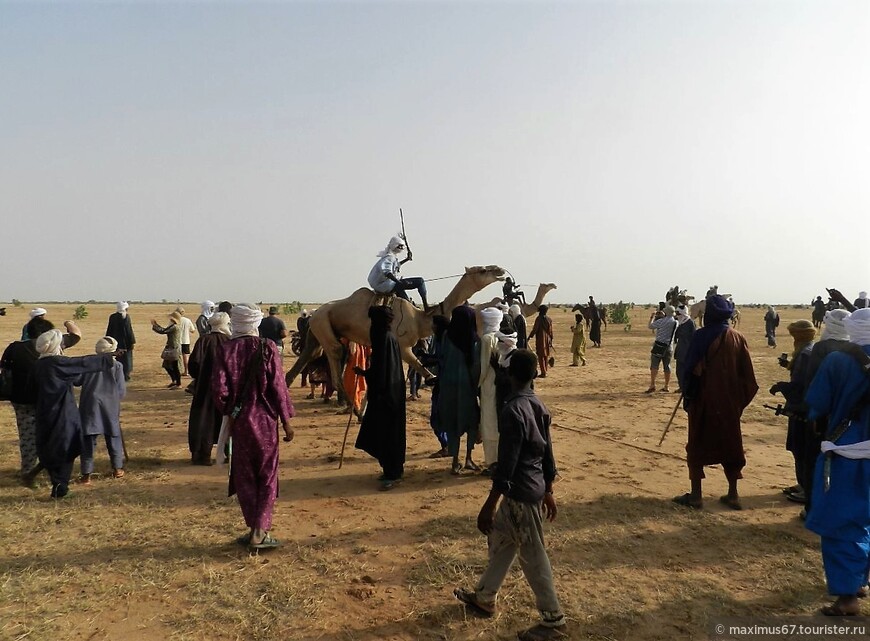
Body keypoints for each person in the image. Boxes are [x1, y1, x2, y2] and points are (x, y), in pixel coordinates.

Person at [453, 349, 566, 641]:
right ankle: (485, 596)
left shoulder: (512, 411)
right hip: (533, 488)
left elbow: (507, 465)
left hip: (520, 494)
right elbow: (548, 453)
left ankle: (553, 620)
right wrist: (549, 489)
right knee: (504, 542)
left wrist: (489, 504)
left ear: (510, 375)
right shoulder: (537, 405)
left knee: (533, 555)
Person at [803, 308, 870, 616]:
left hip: (847, 454)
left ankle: (847, 597)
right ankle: (860, 580)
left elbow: (818, 405)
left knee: (841, 523)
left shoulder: (838, 361)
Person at [213, 303, 295, 550]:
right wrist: (287, 422)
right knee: (267, 476)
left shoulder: (226, 350)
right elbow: (278, 388)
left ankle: (253, 529)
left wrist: (231, 412)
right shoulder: (268, 347)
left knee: (245, 476)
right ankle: (260, 531)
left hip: (240, 424)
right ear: (255, 323)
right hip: (266, 422)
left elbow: (219, 391)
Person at [673, 295, 758, 510]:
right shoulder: (738, 338)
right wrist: (737, 403)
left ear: (708, 314)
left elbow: (689, 370)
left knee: (697, 444)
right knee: (731, 445)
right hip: (729, 405)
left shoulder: (701, 337)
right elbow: (749, 379)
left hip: (703, 402)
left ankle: (696, 495)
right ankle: (733, 494)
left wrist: (689, 396)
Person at [33, 329, 115, 499]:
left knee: (49, 445)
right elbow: (82, 363)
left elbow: (29, 391)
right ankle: (61, 485)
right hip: (63, 412)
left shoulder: (38, 365)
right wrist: (107, 358)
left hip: (43, 413)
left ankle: (57, 482)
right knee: (66, 446)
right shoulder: (57, 363)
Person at [1, 317, 81, 484]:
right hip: (47, 400)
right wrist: (67, 321)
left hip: (20, 399)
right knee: (52, 436)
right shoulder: (53, 344)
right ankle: (50, 470)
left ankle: (28, 470)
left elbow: (5, 369)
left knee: (27, 437)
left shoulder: (13, 348)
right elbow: (76, 334)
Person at [354, 306, 406, 490]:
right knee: (382, 432)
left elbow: (383, 371)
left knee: (388, 433)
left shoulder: (384, 338)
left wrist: (367, 374)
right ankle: (390, 469)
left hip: (386, 395)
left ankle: (393, 473)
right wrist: (365, 372)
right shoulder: (388, 337)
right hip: (387, 392)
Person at [769, 320, 816, 506]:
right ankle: (802, 483)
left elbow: (800, 385)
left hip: (801, 409)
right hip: (803, 408)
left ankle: (806, 488)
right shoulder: (808, 351)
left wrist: (781, 386)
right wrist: (787, 365)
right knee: (798, 447)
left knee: (800, 448)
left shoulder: (805, 354)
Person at [434, 306, 481, 475]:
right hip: (467, 388)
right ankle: (468, 457)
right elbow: (476, 367)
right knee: (471, 422)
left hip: (448, 387)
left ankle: (455, 461)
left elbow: (442, 359)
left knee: (452, 423)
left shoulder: (447, 337)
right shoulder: (475, 341)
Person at [77, 336, 127, 483]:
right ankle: (117, 468)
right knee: (113, 436)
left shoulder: (88, 364)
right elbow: (121, 391)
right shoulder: (116, 366)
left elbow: (77, 381)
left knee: (88, 439)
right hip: (110, 406)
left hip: (89, 405)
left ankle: (86, 474)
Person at [187, 312, 231, 465]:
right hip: (226, 390)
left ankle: (201, 456)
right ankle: (228, 454)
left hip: (204, 389)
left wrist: (201, 377)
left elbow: (193, 364)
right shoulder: (230, 341)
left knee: (203, 421)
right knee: (226, 420)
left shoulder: (203, 340)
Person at [366, 235, 429, 310]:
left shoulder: (391, 257)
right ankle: (426, 307)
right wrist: (398, 282)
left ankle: (409, 305)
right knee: (420, 281)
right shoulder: (389, 257)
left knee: (403, 293)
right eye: (400, 246)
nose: (402, 248)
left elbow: (395, 266)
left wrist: (407, 259)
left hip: (385, 284)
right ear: (395, 246)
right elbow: (387, 272)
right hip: (385, 285)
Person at [478, 307, 504, 475]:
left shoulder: (487, 339)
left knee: (489, 424)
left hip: (489, 385)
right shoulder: (503, 337)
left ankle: (493, 463)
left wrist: (477, 384)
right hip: (501, 385)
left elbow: (483, 367)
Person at [646, 305, 678, 394]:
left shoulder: (661, 321)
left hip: (659, 346)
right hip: (669, 347)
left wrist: (652, 317)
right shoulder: (675, 322)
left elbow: (650, 326)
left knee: (654, 366)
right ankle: (666, 386)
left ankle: (652, 384)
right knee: (667, 366)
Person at [105, 301, 135, 382]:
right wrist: (132, 341)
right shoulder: (126, 317)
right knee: (127, 360)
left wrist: (108, 339)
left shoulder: (112, 317)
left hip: (115, 342)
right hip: (125, 343)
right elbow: (129, 331)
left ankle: (116, 375)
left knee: (116, 358)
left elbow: (109, 329)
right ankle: (126, 376)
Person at [152, 311, 183, 388]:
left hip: (173, 348)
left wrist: (155, 325)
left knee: (174, 366)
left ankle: (178, 383)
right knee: (168, 365)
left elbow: (163, 331)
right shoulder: (175, 326)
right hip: (172, 348)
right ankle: (175, 381)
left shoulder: (174, 327)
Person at [673, 303, 696, 393]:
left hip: (688, 351)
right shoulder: (680, 323)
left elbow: (694, 337)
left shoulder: (690, 323)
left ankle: (687, 387)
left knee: (687, 371)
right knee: (679, 371)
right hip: (680, 350)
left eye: (679, 314)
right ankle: (681, 387)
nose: (677, 316)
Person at [528, 305, 554, 378]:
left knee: (540, 355)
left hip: (541, 338)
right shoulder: (549, 319)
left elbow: (535, 329)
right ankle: (545, 370)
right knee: (546, 355)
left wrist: (530, 336)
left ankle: (543, 372)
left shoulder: (538, 319)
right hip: (548, 338)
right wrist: (551, 339)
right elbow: (551, 331)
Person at [174, 306, 197, 376]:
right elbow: (192, 331)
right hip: (186, 341)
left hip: (177, 341)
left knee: (176, 357)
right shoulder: (187, 320)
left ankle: (177, 371)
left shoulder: (174, 320)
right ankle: (186, 371)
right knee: (185, 357)